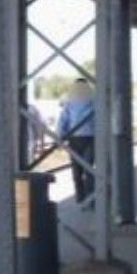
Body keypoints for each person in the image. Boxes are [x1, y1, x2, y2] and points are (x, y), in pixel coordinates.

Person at [57, 79, 95, 208]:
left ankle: (90, 199)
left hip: (89, 139)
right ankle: (81, 198)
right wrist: (60, 137)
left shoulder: (94, 103)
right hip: (76, 140)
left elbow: (99, 121)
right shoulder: (70, 104)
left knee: (88, 170)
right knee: (77, 171)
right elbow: (63, 121)